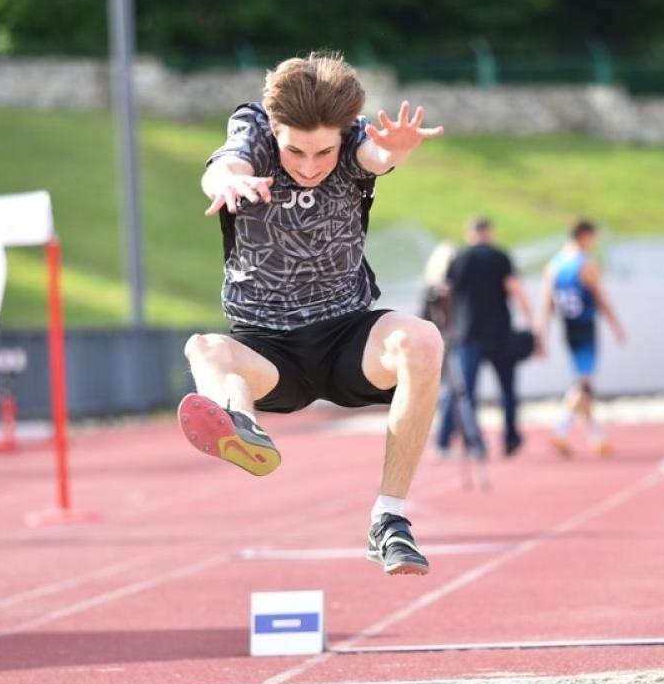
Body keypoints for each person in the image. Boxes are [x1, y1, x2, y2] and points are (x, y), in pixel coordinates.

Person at [178, 53, 445, 576]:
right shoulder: (253, 127)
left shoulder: (353, 139)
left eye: (323, 151)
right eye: (295, 150)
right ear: (274, 130)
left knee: (424, 339)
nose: (308, 166)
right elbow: (225, 164)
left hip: (347, 336)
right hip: (269, 350)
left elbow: (374, 155)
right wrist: (228, 182)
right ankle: (239, 423)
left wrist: (391, 151)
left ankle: (390, 520)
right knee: (203, 348)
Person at [435, 218, 538, 459]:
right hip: (500, 333)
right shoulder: (500, 257)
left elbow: (446, 293)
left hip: (468, 334)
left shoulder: (459, 258)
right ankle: (511, 439)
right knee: (508, 390)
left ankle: (474, 442)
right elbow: (516, 289)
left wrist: (448, 325)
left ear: (470, 233)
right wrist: (532, 323)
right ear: (490, 233)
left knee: (465, 392)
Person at [539, 218, 626, 456]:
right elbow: (600, 298)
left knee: (585, 383)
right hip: (586, 328)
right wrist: (616, 325)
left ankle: (598, 437)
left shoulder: (554, 265)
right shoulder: (586, 265)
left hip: (568, 328)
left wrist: (541, 333)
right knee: (583, 384)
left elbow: (547, 303)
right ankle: (560, 430)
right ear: (585, 236)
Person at [419, 241, 487, 462]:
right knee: (455, 393)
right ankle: (451, 441)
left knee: (459, 392)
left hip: (454, 341)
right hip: (442, 344)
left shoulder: (457, 287)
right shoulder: (433, 291)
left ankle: (465, 439)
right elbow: (427, 318)